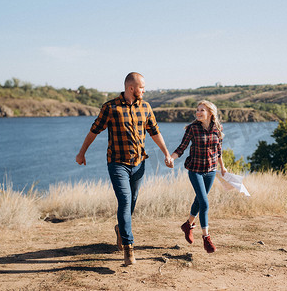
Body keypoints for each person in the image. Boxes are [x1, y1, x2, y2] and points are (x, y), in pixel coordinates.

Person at [76, 72, 173, 266]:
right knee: (125, 199)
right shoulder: (111, 107)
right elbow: (94, 130)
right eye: (142, 87)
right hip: (117, 163)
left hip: (138, 163)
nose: (144, 90)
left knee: (132, 201)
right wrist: (81, 153)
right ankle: (129, 247)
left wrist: (166, 153)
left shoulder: (145, 107)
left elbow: (155, 132)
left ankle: (121, 229)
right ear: (131, 88)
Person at [170, 100, 227, 253]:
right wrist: (171, 158)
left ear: (210, 113)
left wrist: (223, 167)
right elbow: (182, 147)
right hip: (195, 170)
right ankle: (206, 238)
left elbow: (219, 150)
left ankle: (188, 225)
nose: (198, 112)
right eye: (197, 110)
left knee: (199, 200)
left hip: (211, 171)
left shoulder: (218, 129)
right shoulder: (192, 128)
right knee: (204, 203)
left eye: (202, 110)